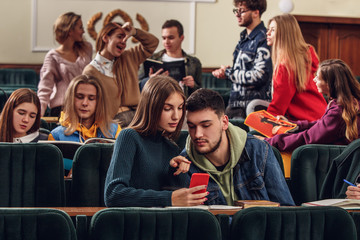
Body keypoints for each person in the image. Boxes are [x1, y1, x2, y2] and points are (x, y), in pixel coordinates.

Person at [171, 88, 294, 206]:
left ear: (224, 122)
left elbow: (286, 211)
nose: (197, 134)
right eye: (192, 126)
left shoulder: (260, 150)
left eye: (206, 125)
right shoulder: (183, 166)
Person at [104, 75, 208, 207]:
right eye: (168, 108)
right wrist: (169, 198)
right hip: (135, 223)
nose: (176, 116)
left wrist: (175, 171)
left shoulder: (171, 147)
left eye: (180, 108)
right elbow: (113, 195)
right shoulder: (129, 137)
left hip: (164, 223)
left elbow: (177, 200)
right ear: (151, 107)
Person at [264, 59, 360, 152]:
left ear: (330, 84)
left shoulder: (338, 111)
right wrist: (293, 125)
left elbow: (308, 137)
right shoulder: (348, 102)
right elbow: (320, 125)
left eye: (318, 78)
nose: (314, 80)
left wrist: (268, 142)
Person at [83, 21, 159, 127]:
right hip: (112, 122)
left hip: (137, 117)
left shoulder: (129, 57)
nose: (123, 42)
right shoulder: (91, 71)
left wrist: (135, 32)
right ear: (105, 38)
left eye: (126, 39)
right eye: (119, 37)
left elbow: (153, 43)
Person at [212, 0, 272, 119]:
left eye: (242, 11)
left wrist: (229, 73)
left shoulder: (264, 38)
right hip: (235, 103)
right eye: (236, 11)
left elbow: (260, 75)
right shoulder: (243, 38)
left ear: (256, 13)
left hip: (252, 107)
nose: (237, 15)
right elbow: (244, 70)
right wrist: (228, 71)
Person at [261, 14, 327, 121]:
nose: (267, 33)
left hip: (307, 123)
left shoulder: (285, 66)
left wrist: (264, 125)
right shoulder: (299, 59)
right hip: (321, 116)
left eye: (272, 30)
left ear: (284, 34)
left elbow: (278, 107)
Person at [38, 12, 92, 117]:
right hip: (62, 107)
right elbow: (45, 88)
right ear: (70, 31)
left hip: (85, 104)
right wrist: (38, 115)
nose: (83, 31)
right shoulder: (52, 56)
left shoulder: (87, 48)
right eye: (80, 28)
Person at [139, 19, 202, 97]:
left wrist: (193, 86)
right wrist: (150, 80)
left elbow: (202, 94)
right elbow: (137, 87)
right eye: (164, 38)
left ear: (181, 38)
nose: (166, 42)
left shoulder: (194, 62)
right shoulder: (151, 59)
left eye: (171, 38)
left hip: (184, 105)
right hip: (158, 105)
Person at [49, 75, 121, 142]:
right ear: (71, 99)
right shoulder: (56, 136)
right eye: (80, 97)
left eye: (91, 98)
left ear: (99, 102)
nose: (85, 103)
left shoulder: (114, 130)